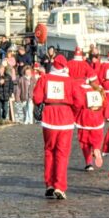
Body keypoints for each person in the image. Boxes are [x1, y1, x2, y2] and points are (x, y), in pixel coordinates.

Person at [32, 53, 76, 200]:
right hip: (65, 118)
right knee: (62, 154)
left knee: (49, 151)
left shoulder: (45, 78)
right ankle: (59, 186)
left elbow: (37, 98)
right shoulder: (70, 81)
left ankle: (49, 184)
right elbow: (80, 101)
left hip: (49, 117)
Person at [75, 74, 106, 171]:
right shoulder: (99, 90)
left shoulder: (81, 89)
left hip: (85, 117)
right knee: (97, 138)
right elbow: (105, 104)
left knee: (84, 142)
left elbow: (78, 103)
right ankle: (96, 148)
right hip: (97, 118)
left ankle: (89, 163)